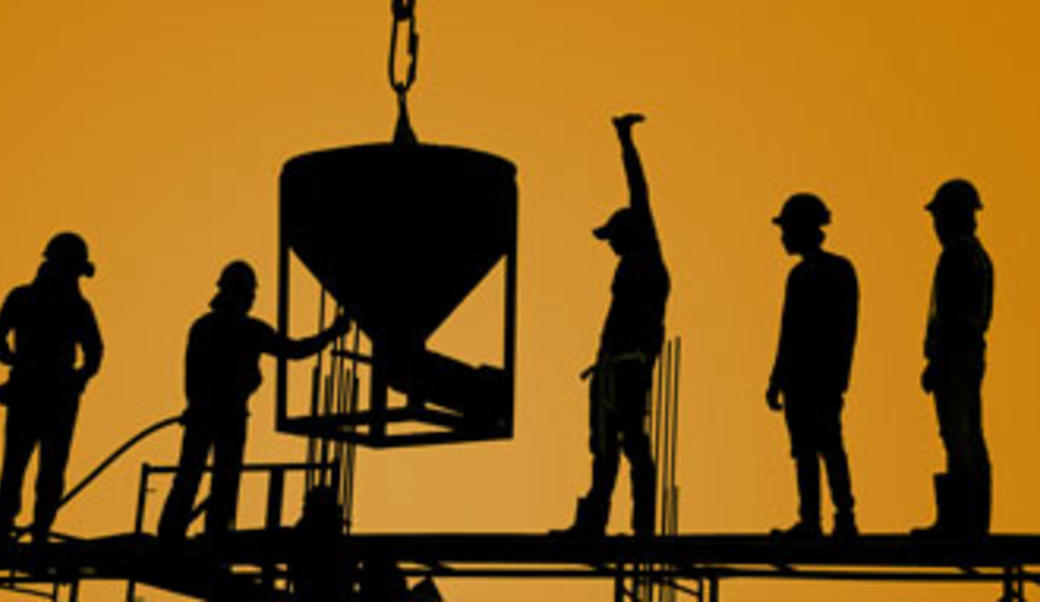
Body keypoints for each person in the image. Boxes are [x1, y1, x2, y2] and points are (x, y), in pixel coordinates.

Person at [158, 260, 350, 540]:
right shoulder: (246, 331)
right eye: (249, 294)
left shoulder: (205, 327)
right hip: (226, 415)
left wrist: (195, 404)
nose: (251, 300)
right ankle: (213, 535)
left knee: (195, 475)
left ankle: (174, 534)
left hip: (207, 413)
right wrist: (331, 334)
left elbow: (192, 375)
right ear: (241, 294)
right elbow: (293, 350)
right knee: (221, 478)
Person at [559, 113, 670, 537]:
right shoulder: (632, 260)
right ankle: (592, 522)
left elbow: (639, 191)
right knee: (603, 448)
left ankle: (643, 528)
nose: (610, 247)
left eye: (612, 238)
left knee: (631, 444)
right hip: (608, 368)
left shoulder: (648, 253)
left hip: (629, 366)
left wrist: (624, 141)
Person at [0, 232, 103, 544]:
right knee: (39, 467)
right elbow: (95, 353)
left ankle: (16, 527)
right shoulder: (72, 305)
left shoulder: (26, 298)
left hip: (38, 393)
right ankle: (34, 529)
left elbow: (95, 353)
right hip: (50, 396)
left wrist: (15, 361)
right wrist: (78, 378)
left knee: (23, 466)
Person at [766, 194, 859, 539]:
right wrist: (778, 379)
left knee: (822, 446)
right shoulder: (822, 272)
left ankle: (834, 518)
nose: (783, 237)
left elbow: (800, 333)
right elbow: (789, 332)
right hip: (809, 380)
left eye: (787, 229)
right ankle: (824, 519)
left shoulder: (819, 274)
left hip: (814, 380)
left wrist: (780, 379)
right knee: (813, 448)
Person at [914, 179, 993, 537]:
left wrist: (937, 361)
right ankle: (972, 521)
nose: (936, 226)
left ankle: (959, 522)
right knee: (969, 434)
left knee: (958, 435)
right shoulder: (978, 256)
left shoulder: (958, 256)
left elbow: (952, 317)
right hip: (967, 356)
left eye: (939, 217)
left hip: (956, 358)